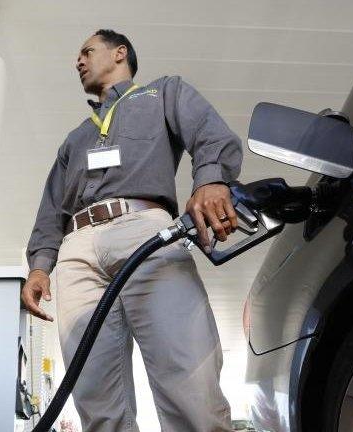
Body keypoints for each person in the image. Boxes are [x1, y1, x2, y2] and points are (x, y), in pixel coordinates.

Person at [23, 29, 242, 432]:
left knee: (191, 385)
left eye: (87, 51)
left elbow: (210, 133)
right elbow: (51, 207)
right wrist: (40, 266)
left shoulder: (163, 94)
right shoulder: (75, 139)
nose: (78, 61)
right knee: (96, 401)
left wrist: (211, 180)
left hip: (145, 231)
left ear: (119, 53)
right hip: (76, 252)